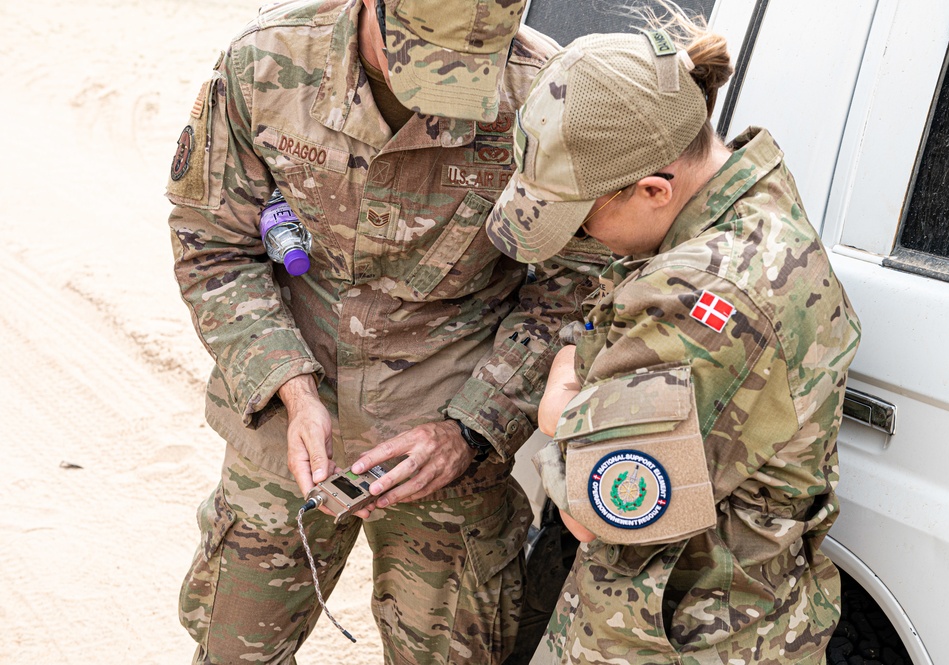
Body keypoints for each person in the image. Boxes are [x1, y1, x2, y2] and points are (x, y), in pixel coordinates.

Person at [165, 0, 608, 662]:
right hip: (284, 434)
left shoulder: (544, 97)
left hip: (449, 451)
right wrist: (289, 385)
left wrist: (469, 429)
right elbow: (212, 245)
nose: (437, 84)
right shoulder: (264, 63)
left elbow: (571, 291)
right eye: (421, 52)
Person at [486, 7, 862, 664]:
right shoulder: (751, 193)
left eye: (581, 222)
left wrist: (560, 395)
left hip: (677, 639)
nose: (577, 245)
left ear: (655, 188)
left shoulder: (701, 297)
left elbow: (591, 509)